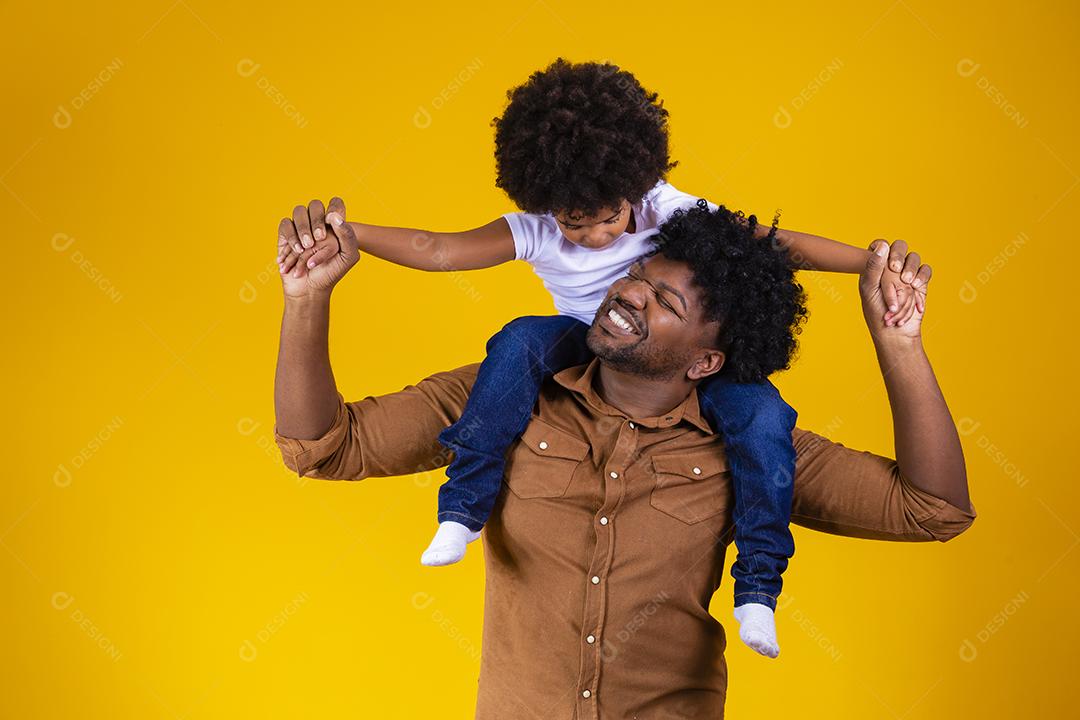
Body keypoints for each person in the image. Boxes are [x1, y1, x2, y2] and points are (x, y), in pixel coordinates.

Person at [276, 60, 928, 657]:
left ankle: (757, 588)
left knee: (762, 414)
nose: (593, 238)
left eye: (610, 220)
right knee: (520, 338)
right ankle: (461, 509)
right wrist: (347, 235)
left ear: (637, 185)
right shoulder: (533, 244)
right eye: (574, 222)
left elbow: (773, 242)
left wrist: (870, 265)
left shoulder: (669, 211)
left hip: (700, 387)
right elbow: (440, 249)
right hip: (574, 338)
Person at [273, 201, 974, 717]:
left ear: (706, 359)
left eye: (664, 299)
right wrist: (309, 299)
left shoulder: (755, 446)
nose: (629, 292)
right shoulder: (507, 394)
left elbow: (932, 509)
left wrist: (899, 343)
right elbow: (324, 448)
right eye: (638, 275)